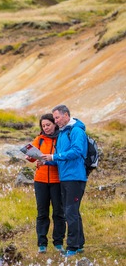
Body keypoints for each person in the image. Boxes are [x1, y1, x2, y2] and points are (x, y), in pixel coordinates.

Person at [41, 105, 87, 257]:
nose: (55, 121)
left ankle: (72, 247)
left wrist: (53, 157)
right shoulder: (62, 133)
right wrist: (46, 160)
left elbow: (77, 151)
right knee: (73, 212)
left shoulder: (76, 131)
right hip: (66, 177)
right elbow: (60, 157)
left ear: (66, 115)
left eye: (57, 118)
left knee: (70, 212)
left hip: (75, 177)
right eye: (54, 118)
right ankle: (79, 245)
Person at [27, 114, 64, 253]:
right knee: (42, 213)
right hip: (40, 180)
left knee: (58, 213)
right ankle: (42, 244)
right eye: (43, 126)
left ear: (55, 124)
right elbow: (32, 156)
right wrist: (30, 157)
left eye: (48, 125)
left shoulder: (61, 139)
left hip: (57, 180)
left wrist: (48, 160)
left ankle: (58, 243)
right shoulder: (39, 139)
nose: (46, 128)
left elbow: (62, 158)